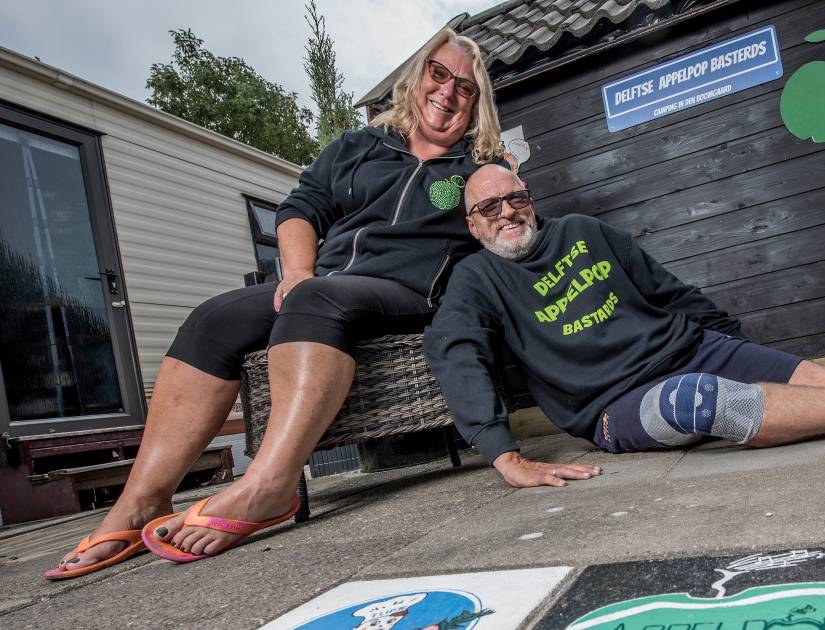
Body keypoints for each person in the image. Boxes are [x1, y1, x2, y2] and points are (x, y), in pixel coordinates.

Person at [46, 28, 504, 578]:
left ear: (476, 106)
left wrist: (497, 193)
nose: (447, 93)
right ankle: (141, 500)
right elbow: (299, 208)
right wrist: (299, 272)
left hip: (407, 293)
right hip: (326, 279)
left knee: (315, 300)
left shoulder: (475, 167)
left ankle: (269, 485)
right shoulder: (358, 146)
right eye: (439, 74)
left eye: (465, 87)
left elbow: (507, 224)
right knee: (213, 319)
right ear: (417, 77)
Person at [423, 165, 825, 489]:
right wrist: (503, 454)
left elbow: (669, 291)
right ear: (473, 225)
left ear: (529, 198)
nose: (508, 213)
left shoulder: (583, 231)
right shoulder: (477, 279)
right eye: (489, 208)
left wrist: (737, 347)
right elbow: (455, 352)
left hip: (694, 348)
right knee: (701, 404)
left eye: (516, 199)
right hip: (616, 406)